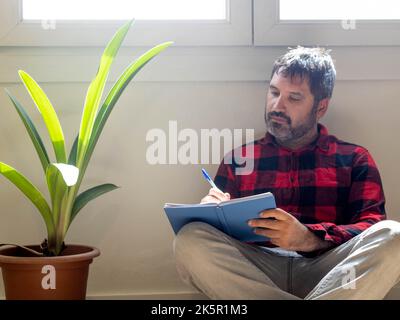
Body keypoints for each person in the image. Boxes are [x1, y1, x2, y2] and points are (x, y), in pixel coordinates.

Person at [173, 46, 400, 300]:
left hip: (329, 270)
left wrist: (309, 238)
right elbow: (218, 240)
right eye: (273, 92)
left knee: (395, 236)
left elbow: (371, 226)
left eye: (294, 98)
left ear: (321, 107)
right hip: (256, 272)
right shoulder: (239, 159)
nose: (277, 106)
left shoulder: (354, 159)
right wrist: (211, 214)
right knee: (189, 239)